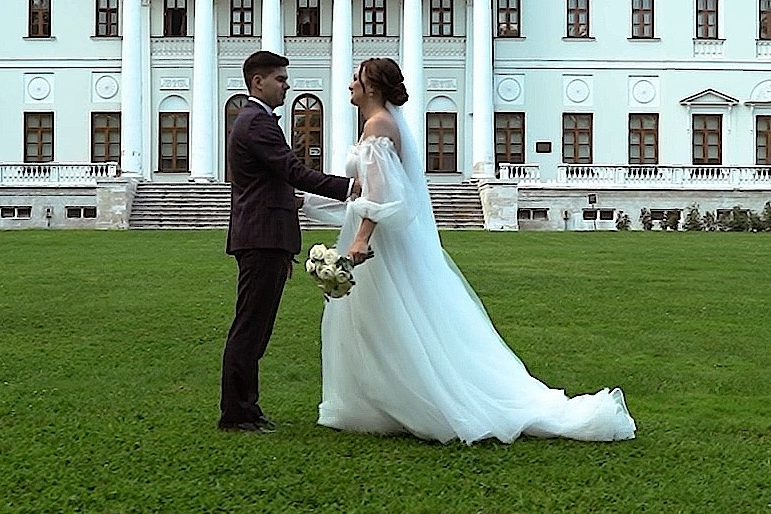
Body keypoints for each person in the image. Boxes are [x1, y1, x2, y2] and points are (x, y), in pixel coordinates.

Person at [311, 58, 635, 443]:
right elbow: (370, 187)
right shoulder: (379, 123)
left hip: (379, 239)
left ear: (373, 88)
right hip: (378, 232)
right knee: (379, 318)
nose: (349, 84)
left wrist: (361, 237)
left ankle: (416, 398)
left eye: (356, 79)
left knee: (390, 317)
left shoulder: (379, 124)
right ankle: (383, 399)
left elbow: (382, 194)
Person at [221, 50, 353, 432]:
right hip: (261, 237)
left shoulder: (255, 121)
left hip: (265, 234)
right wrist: (347, 187)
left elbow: (270, 180)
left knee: (256, 328)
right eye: (280, 78)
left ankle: (246, 406)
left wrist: (297, 202)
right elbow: (292, 170)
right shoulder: (257, 123)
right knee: (250, 327)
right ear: (257, 82)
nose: (287, 84)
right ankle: (237, 412)